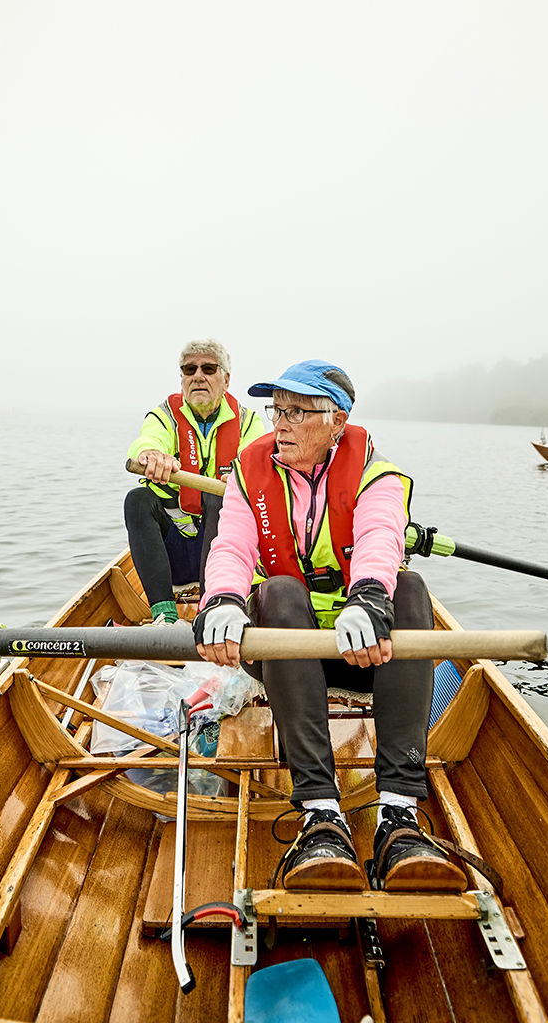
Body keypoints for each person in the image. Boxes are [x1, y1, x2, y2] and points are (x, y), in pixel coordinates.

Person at [192, 359, 464, 893]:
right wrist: (221, 600)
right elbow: (230, 546)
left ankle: (398, 817)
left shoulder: (374, 472)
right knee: (278, 591)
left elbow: (382, 537)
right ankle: (320, 813)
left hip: (366, 647)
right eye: (277, 410)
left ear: (336, 421)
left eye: (297, 411)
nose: (281, 423)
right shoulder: (249, 471)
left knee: (409, 590)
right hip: (286, 650)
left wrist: (367, 599)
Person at [124, 340, 265, 626]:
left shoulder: (248, 422)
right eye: (189, 369)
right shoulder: (164, 416)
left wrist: (240, 478)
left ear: (226, 379)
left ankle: (211, 608)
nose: (198, 376)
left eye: (208, 368)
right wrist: (150, 454)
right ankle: (165, 616)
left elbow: (258, 463)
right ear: (182, 378)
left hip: (226, 553)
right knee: (137, 499)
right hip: (171, 554)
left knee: (219, 495)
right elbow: (148, 439)